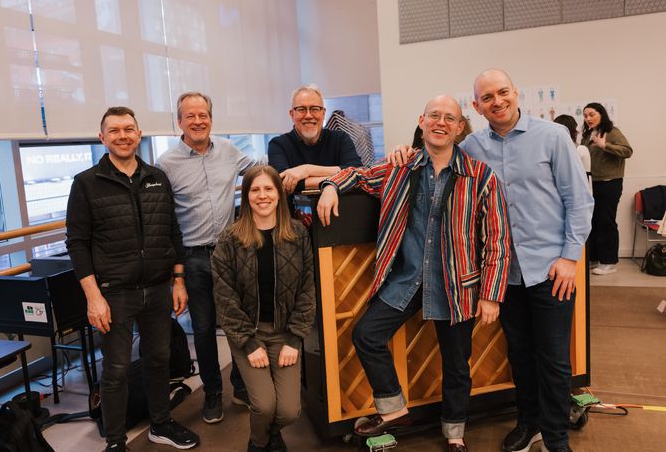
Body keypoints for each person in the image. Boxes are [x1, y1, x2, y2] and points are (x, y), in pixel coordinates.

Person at [317, 95, 511, 452]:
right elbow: (357, 174)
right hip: (408, 281)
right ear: (422, 122)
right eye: (434, 115)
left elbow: (497, 240)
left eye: (449, 118)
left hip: (457, 286)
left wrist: (491, 294)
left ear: (459, 127)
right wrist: (330, 187)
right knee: (366, 335)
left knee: (457, 365)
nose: (441, 123)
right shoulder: (399, 167)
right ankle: (394, 410)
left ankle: (455, 434)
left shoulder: (481, 176)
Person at [461, 69, 593, 452]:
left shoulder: (552, 136)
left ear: (516, 93)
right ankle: (529, 422)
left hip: (552, 271)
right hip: (504, 273)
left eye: (503, 92)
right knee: (519, 354)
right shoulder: (470, 147)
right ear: (477, 106)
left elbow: (579, 200)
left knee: (553, 359)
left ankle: (555, 438)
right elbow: (433, 160)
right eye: (487, 97)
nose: (497, 101)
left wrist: (569, 258)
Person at [65, 107, 199, 451]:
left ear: (139, 134)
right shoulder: (86, 183)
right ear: (102, 138)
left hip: (157, 288)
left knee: (159, 360)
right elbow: (77, 243)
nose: (122, 136)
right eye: (114, 130)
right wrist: (93, 297)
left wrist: (178, 280)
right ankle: (115, 442)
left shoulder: (157, 177)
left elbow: (172, 231)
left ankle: (160, 423)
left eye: (128, 129)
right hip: (114, 293)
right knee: (117, 370)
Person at [156, 92, 257, 424]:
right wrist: (176, 276)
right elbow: (163, 221)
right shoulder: (166, 164)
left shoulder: (228, 150)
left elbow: (261, 173)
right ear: (179, 122)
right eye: (190, 116)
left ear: (211, 119)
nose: (198, 121)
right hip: (193, 257)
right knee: (202, 329)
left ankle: (241, 386)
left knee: (238, 324)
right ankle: (212, 393)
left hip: (231, 254)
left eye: (203, 115)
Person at [212, 165, 316, 452]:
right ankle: (258, 443)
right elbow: (225, 298)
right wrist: (248, 343)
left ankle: (271, 433)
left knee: (289, 411)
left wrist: (294, 339)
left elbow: (308, 290)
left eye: (268, 189)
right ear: (246, 196)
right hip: (248, 335)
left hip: (285, 334)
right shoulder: (230, 240)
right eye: (255, 190)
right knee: (264, 405)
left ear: (279, 194)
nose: (262, 195)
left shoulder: (298, 234)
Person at [268, 83, 362, 197]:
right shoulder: (278, 144)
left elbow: (358, 172)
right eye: (301, 109)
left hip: (341, 207)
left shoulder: (340, 139)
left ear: (323, 113)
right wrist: (335, 181)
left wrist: (307, 170)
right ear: (292, 114)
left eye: (314, 109)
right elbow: (282, 182)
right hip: (295, 208)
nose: (308, 115)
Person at [580, 102, 632, 275]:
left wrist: (605, 146)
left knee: (605, 221)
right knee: (592, 222)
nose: (588, 118)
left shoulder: (612, 132)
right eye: (585, 115)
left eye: (592, 114)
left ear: (601, 114)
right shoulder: (587, 135)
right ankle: (595, 259)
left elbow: (627, 151)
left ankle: (609, 262)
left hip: (609, 183)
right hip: (591, 184)